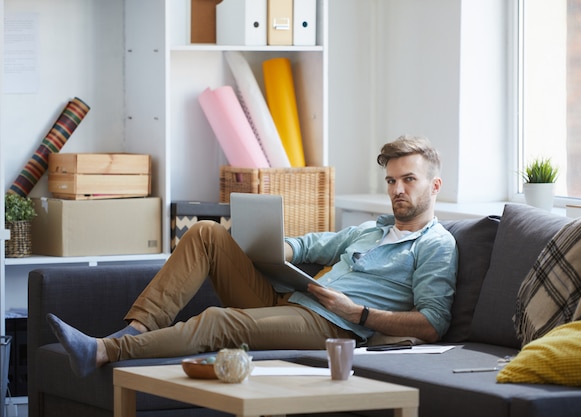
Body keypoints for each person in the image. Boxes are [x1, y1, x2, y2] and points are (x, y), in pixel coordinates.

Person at [48, 135, 458, 377]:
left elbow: (433, 324)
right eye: (391, 180)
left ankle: (104, 351)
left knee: (218, 320)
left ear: (434, 185)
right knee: (207, 232)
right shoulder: (371, 229)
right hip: (293, 301)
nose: (397, 189)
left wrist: (359, 314)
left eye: (408, 180)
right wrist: (277, 250)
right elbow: (310, 245)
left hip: (334, 327)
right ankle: (136, 331)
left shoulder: (436, 245)